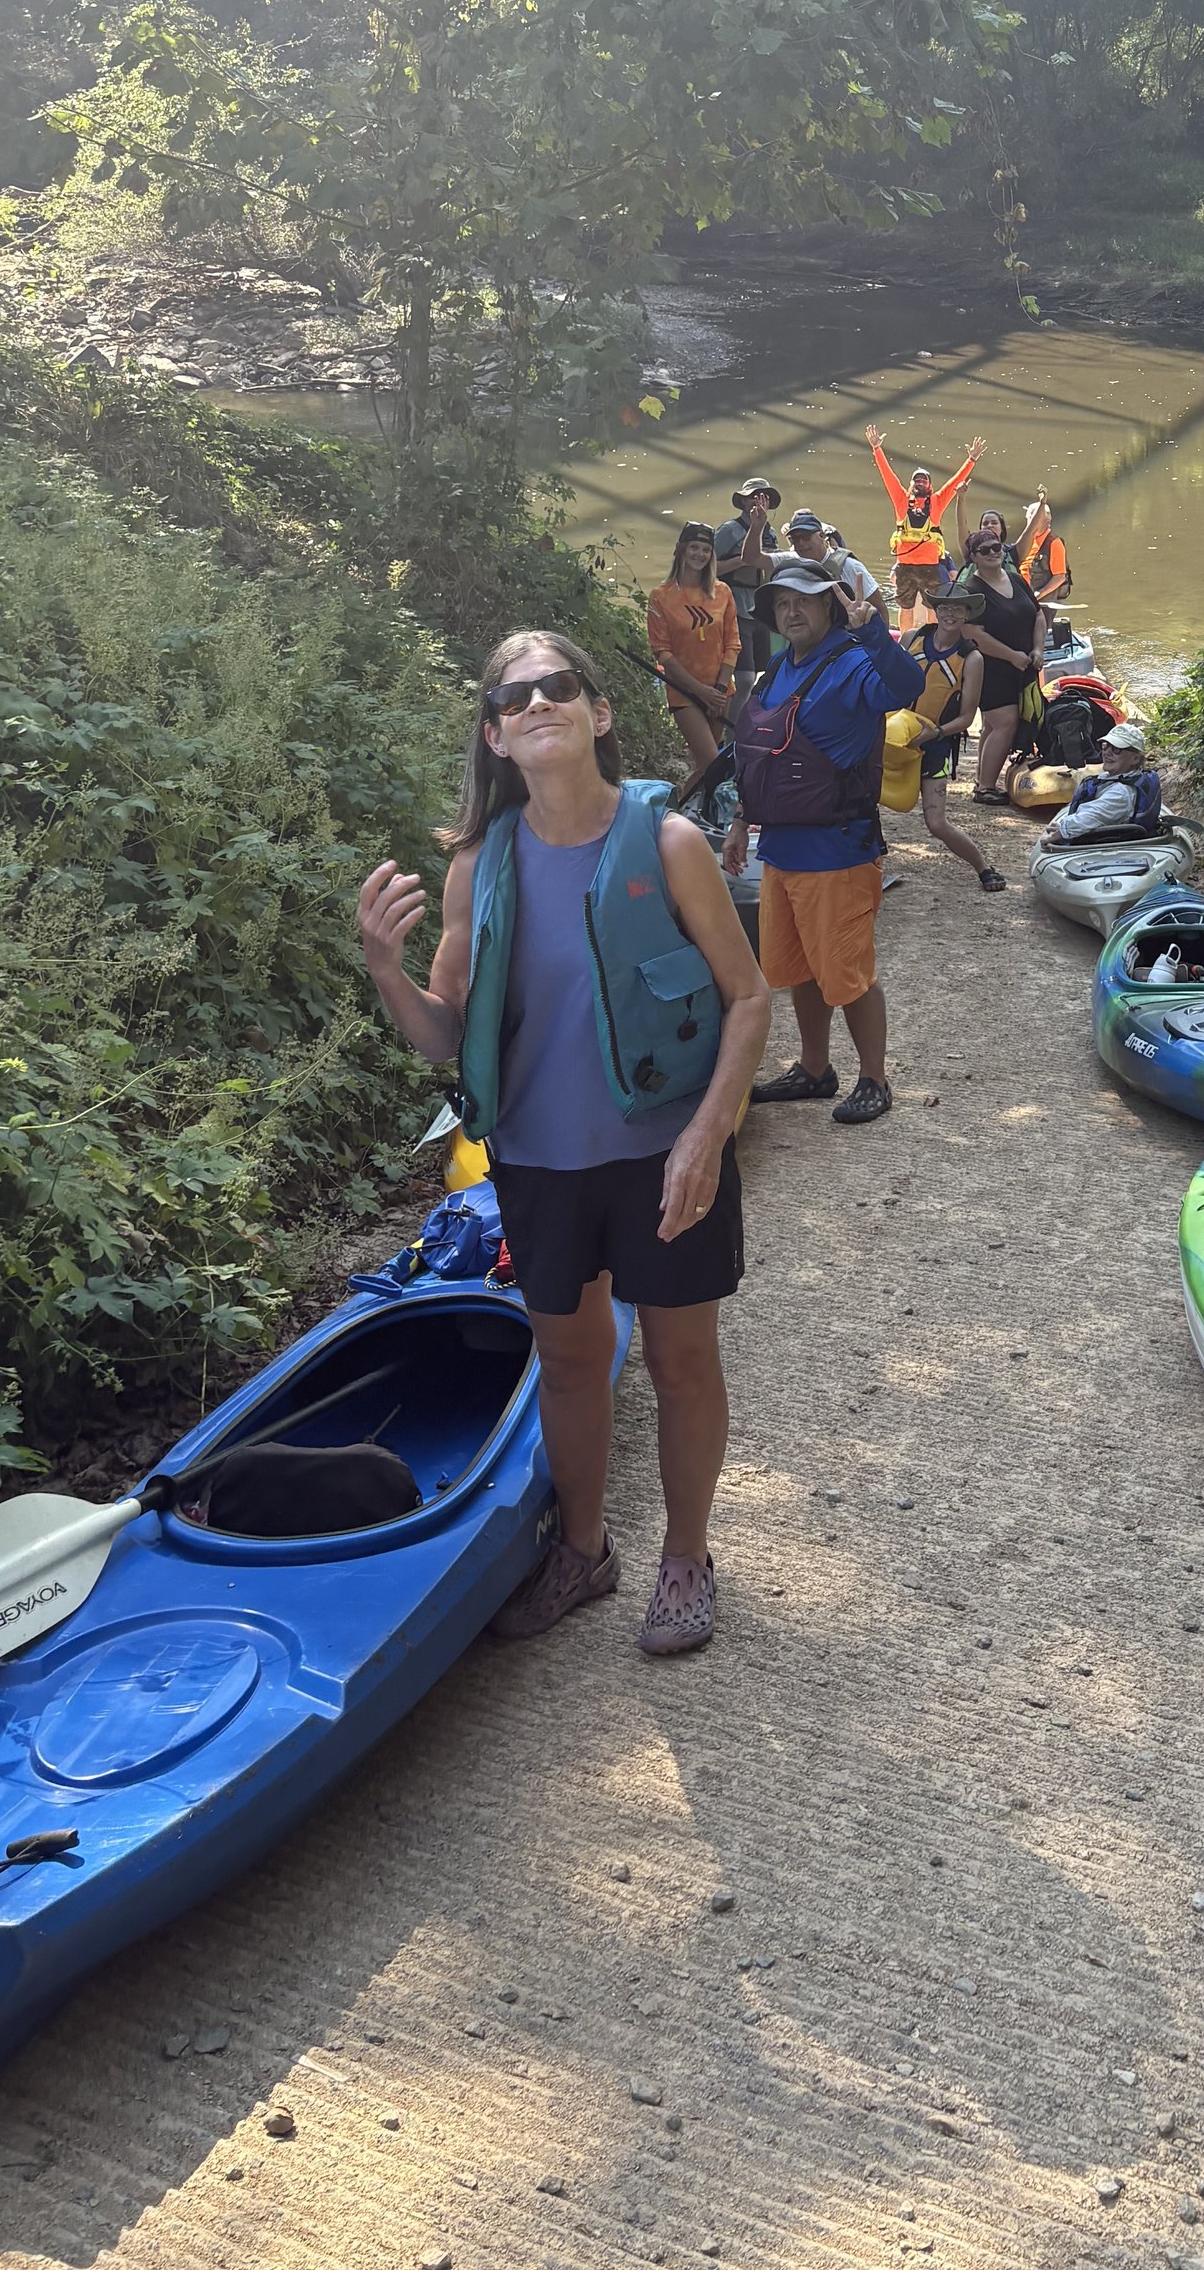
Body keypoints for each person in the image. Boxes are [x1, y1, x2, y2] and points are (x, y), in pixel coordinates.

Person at [353, 633, 771, 1655]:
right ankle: (582, 1551)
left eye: (559, 686)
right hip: (538, 1158)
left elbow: (749, 999)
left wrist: (706, 1136)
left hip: (663, 1152)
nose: (538, 702)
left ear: (598, 712)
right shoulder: (477, 866)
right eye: (514, 696)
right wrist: (385, 968)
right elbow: (446, 1035)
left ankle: (686, 1556)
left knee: (679, 1359)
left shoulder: (669, 843)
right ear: (495, 735)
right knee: (569, 1361)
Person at [725, 560, 926, 1125]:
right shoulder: (777, 668)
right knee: (799, 971)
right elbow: (757, 753)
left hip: (837, 852)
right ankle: (815, 1069)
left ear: (829, 608)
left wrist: (873, 630)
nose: (792, 611)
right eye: (783, 603)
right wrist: (740, 819)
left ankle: (874, 1079)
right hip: (779, 850)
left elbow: (906, 688)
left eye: (805, 600)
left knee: (848, 974)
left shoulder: (853, 661)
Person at [910, 582, 1007, 893]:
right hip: (896, 737)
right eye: (944, 607)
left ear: (968, 614)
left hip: (935, 743)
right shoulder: (913, 638)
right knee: (864, 806)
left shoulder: (971, 658)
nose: (949, 613)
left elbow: (967, 717)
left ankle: (983, 867)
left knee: (936, 823)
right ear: (935, 610)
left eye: (957, 608)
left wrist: (935, 733)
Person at [867, 425, 984, 632]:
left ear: (929, 485)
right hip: (905, 566)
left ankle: (930, 640)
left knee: (932, 607)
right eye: (917, 480)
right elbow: (887, 475)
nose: (920, 482)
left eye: (924, 480)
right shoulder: (901, 500)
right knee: (906, 607)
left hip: (930, 566)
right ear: (911, 484)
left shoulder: (937, 502)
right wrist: (877, 449)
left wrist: (971, 460)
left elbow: (955, 482)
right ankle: (906, 641)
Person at [960, 510, 1042, 802]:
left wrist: (1038, 648)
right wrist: (1011, 656)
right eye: (984, 550)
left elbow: (1038, 614)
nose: (993, 553)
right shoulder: (971, 590)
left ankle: (982, 779)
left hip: (1023, 664)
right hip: (990, 668)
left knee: (993, 725)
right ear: (974, 557)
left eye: (996, 547)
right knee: (1005, 722)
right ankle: (986, 788)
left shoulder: (1016, 579)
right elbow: (974, 634)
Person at [646, 521, 738, 768]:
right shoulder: (660, 596)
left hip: (720, 692)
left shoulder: (723, 592)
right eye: (694, 547)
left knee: (705, 768)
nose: (700, 554)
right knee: (712, 762)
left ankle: (696, 796)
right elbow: (662, 653)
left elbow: (732, 643)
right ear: (681, 549)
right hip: (684, 692)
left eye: (706, 549)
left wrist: (719, 689)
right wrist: (700, 691)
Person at [715, 479, 780, 699]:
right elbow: (707, 566)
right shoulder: (729, 530)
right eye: (753, 496)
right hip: (735, 608)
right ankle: (730, 721)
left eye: (763, 497)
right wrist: (744, 560)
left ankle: (750, 718)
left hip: (760, 610)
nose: (758, 500)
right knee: (744, 678)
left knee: (762, 675)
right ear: (743, 501)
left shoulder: (770, 533)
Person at [1048, 728, 1160, 839]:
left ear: (1135, 758)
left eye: (1116, 749)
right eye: (1105, 746)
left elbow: (1091, 816)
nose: (1106, 752)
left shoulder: (1121, 793)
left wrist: (1062, 830)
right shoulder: (1119, 777)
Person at [784, 507, 880, 613]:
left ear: (822, 536)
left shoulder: (850, 566)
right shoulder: (792, 569)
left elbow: (880, 608)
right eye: (795, 539)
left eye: (806, 537)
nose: (801, 543)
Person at [1016, 493, 1073, 606]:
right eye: (1030, 518)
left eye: (1036, 519)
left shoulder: (1054, 543)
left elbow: (1060, 576)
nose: (1032, 523)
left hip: (1042, 602)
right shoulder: (1025, 540)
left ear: (1047, 521)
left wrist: (1038, 595)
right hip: (1023, 596)